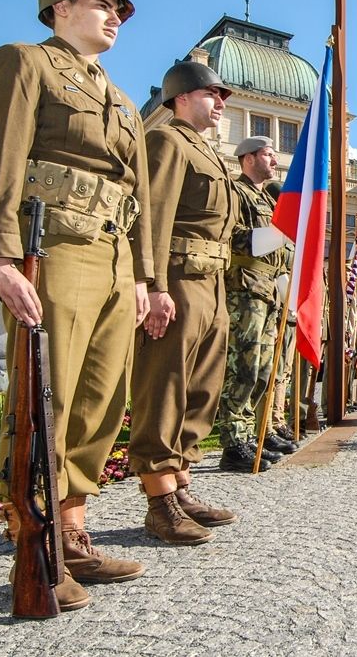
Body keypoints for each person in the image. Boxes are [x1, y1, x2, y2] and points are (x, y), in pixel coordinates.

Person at [0, 0, 149, 610]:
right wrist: (0, 254)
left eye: (120, 10)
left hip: (113, 256)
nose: (115, 17)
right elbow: (1, 158)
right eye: (102, 4)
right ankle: (36, 539)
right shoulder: (25, 63)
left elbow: (137, 196)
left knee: (100, 401)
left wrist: (141, 276)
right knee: (45, 395)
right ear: (60, 7)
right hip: (53, 248)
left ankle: (73, 528)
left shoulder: (124, 101)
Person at [129, 61, 238, 545]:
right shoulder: (167, 141)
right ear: (181, 97)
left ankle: (181, 483)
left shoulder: (207, 151)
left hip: (212, 284)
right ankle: (159, 501)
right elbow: (152, 217)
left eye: (222, 96)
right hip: (177, 279)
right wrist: (154, 286)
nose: (220, 104)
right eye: (212, 94)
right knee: (165, 384)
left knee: (201, 388)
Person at [214, 135, 297, 474]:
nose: (274, 161)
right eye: (267, 154)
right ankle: (233, 442)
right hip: (245, 289)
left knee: (263, 370)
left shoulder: (268, 199)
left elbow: (280, 253)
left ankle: (250, 434)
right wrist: (274, 234)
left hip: (268, 291)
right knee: (243, 368)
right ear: (248, 158)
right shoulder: (237, 193)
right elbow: (230, 236)